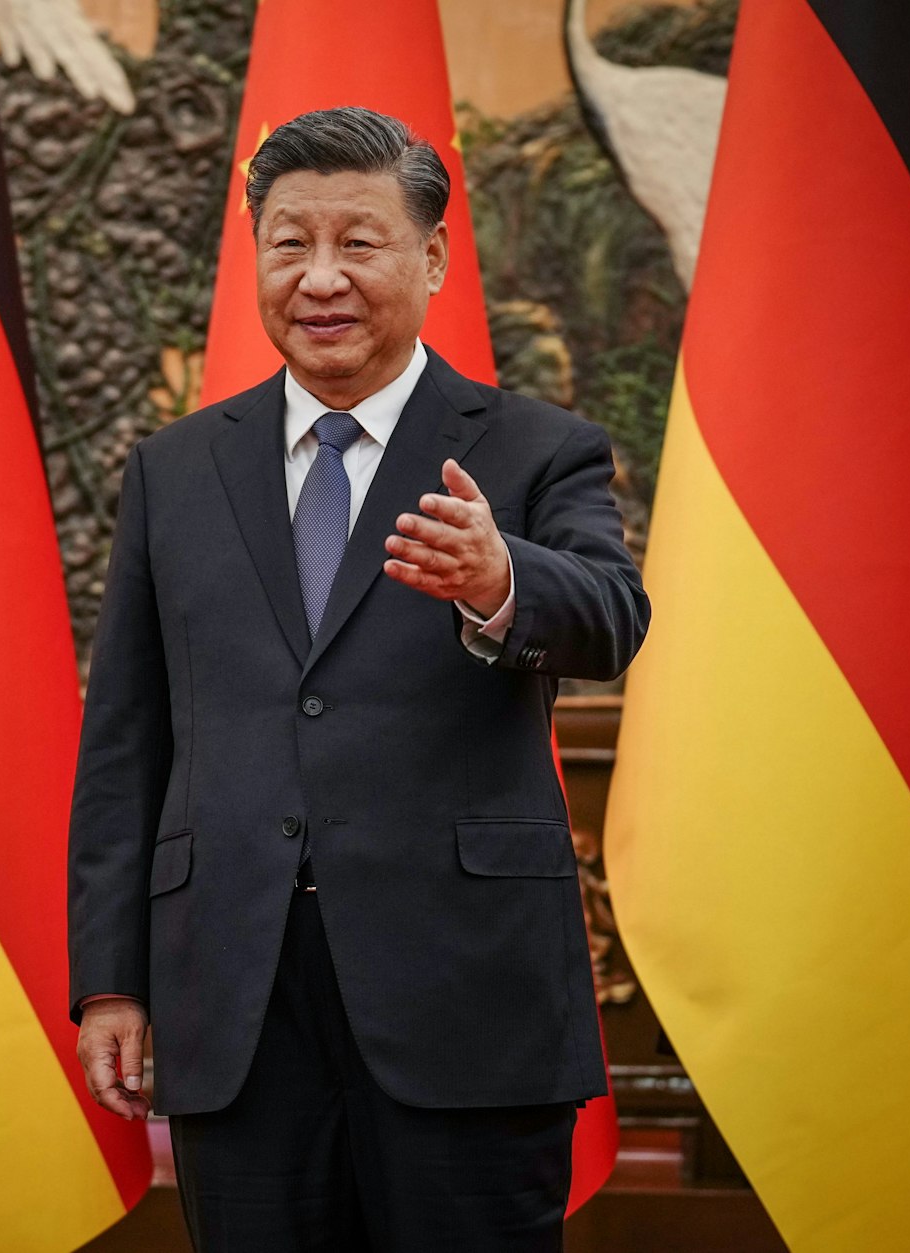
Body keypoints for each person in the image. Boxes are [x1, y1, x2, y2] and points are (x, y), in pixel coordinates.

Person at [68, 108, 650, 1251]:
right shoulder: (176, 468)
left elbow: (613, 617)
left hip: (462, 999)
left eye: (359, 243)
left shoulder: (535, 448)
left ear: (431, 258)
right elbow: (126, 742)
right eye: (288, 244)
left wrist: (500, 578)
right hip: (235, 1001)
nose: (319, 277)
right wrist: (109, 980)